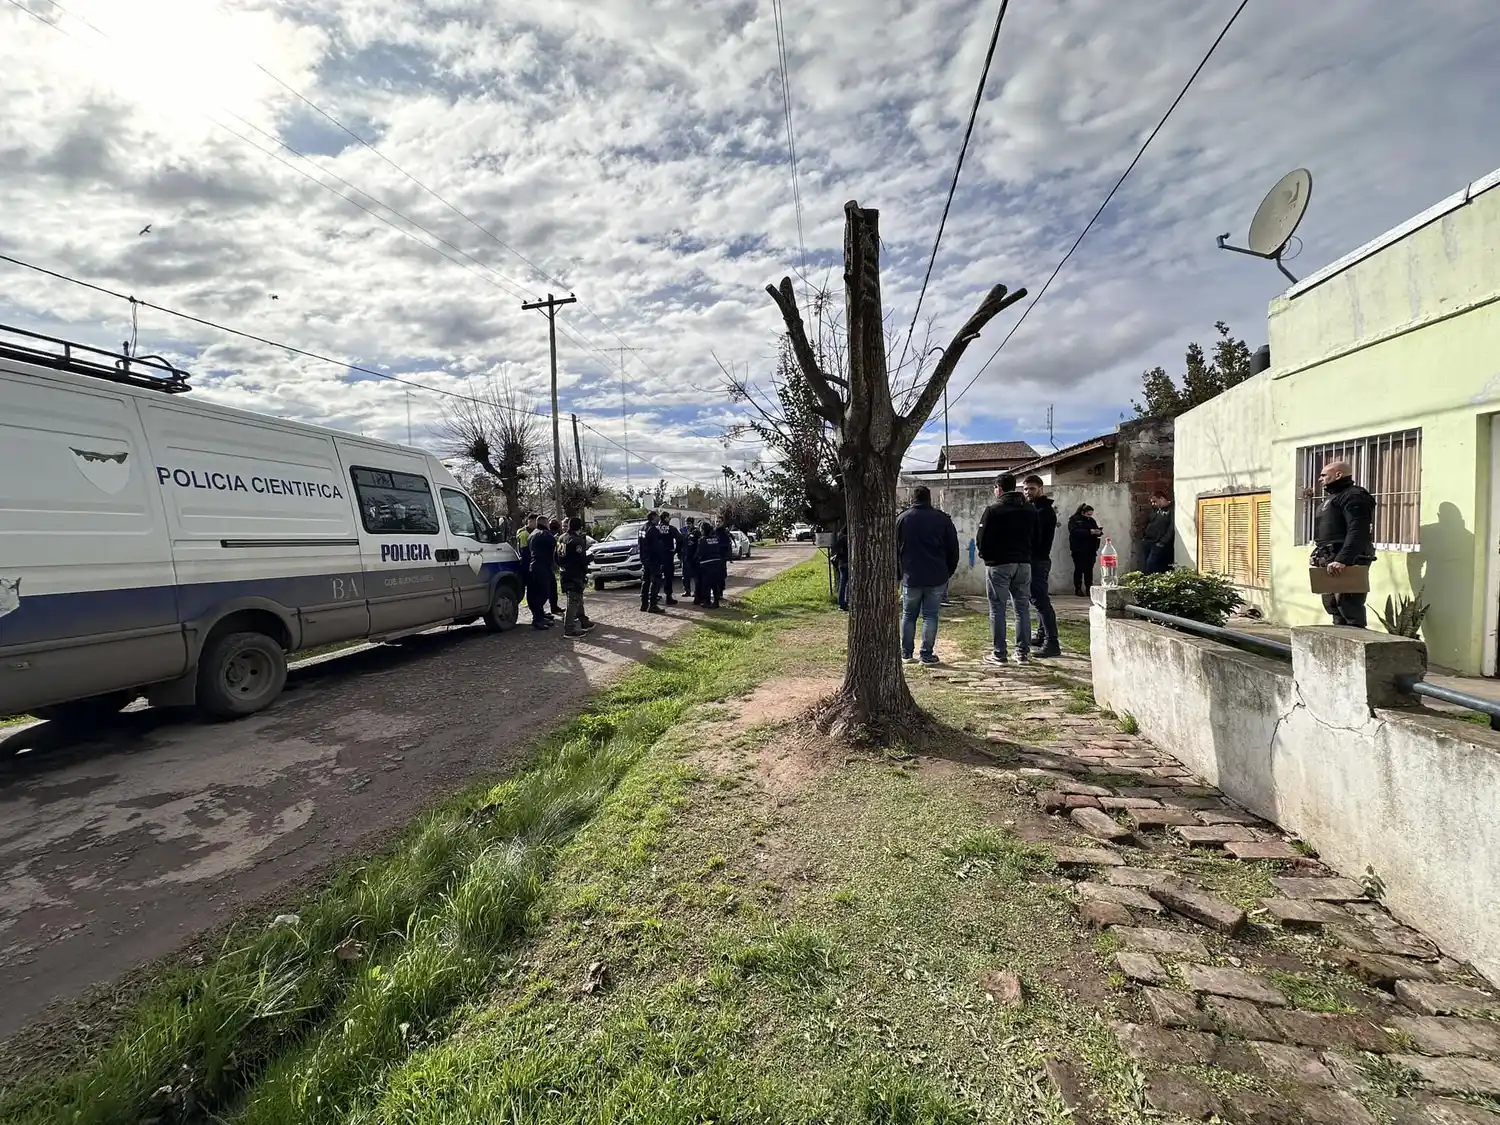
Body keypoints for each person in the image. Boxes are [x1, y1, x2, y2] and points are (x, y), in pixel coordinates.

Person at [976, 473, 1039, 664]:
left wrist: (986, 556)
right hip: (1024, 563)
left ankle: (999, 653)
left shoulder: (993, 510)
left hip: (999, 564)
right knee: (1022, 608)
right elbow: (1037, 537)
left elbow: (981, 538)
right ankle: (1022, 653)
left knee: (998, 608)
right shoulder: (1030, 509)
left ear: (999, 488)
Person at [894, 485, 960, 665]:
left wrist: (898, 575)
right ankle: (926, 654)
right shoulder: (942, 519)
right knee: (930, 616)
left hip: (911, 575)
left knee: (908, 615)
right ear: (929, 499)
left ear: (912, 499)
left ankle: (906, 654)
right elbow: (953, 549)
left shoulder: (902, 519)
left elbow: (893, 550)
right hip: (936, 575)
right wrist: (948, 572)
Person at [1312, 458, 1377, 627]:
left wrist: (1343, 559)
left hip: (1349, 559)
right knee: (1332, 605)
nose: (1320, 479)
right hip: (1329, 557)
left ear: (1338, 474)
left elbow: (1358, 530)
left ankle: (1357, 647)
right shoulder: (1332, 498)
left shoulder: (1354, 496)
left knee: (1349, 606)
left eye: (1324, 475)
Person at [1023, 475, 1062, 657]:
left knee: (1040, 601)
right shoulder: (1034, 508)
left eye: (1031, 488)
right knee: (1037, 600)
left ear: (1040, 489)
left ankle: (1052, 642)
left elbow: (1035, 537)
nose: (1028, 492)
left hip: (1038, 559)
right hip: (1035, 559)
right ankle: (1041, 635)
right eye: (1025, 489)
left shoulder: (1044, 511)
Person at [558, 517, 594, 638]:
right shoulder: (577, 541)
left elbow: (556, 556)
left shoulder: (561, 538)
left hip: (564, 572)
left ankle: (584, 621)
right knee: (573, 601)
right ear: (579, 527)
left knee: (577, 598)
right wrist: (591, 557)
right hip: (575, 573)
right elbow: (581, 559)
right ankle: (569, 629)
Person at [526, 517, 555, 630]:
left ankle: (540, 616)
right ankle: (537, 619)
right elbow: (554, 549)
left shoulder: (532, 534)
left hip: (533, 566)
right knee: (542, 594)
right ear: (546, 523)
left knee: (534, 593)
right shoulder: (546, 535)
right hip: (543, 567)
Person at [1068, 504, 1103, 596]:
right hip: (1078, 548)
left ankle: (1089, 588)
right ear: (1083, 512)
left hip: (1090, 549)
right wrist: (1089, 532)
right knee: (1079, 569)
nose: (1090, 516)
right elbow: (1074, 531)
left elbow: (1096, 529)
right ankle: (1078, 588)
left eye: (1091, 514)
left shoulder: (1091, 520)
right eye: (1088, 514)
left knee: (1089, 570)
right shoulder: (1074, 520)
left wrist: (1098, 532)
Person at [637, 511, 667, 614]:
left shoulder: (642, 528)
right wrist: (662, 561)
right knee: (656, 581)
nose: (659, 518)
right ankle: (653, 605)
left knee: (645, 581)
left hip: (644, 559)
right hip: (653, 560)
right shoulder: (653, 530)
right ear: (654, 517)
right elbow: (657, 548)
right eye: (658, 516)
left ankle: (644, 604)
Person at [1142, 491, 1174, 574]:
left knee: (1151, 564)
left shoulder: (1171, 510)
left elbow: (1171, 527)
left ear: (1162, 498)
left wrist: (1163, 541)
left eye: (1155, 501)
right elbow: (1148, 522)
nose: (1153, 504)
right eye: (1152, 502)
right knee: (1149, 564)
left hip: (1159, 542)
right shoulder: (1155, 510)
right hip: (1148, 541)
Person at [694, 515, 721, 607]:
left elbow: (699, 552)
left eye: (701, 529)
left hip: (707, 564)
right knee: (715, 583)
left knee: (706, 584)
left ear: (703, 530)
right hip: (717, 563)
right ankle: (716, 602)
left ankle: (707, 602)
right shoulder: (715, 538)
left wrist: (695, 559)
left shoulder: (702, 540)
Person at [706, 516, 733, 607]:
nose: (717, 523)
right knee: (713, 577)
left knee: (721, 576)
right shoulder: (713, 532)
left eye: (719, 521)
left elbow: (727, 545)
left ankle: (720, 592)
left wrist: (726, 556)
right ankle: (716, 593)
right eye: (716, 521)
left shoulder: (724, 533)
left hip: (721, 557)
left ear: (722, 522)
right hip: (713, 558)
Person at [659, 514, 681, 606]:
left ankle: (654, 596)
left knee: (656, 576)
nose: (670, 518)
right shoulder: (671, 528)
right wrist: (676, 551)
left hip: (657, 556)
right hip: (668, 555)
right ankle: (668, 597)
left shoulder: (656, 528)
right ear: (666, 518)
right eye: (669, 517)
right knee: (668, 577)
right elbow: (680, 539)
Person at [547, 518, 563, 615]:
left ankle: (554, 607)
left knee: (552, 588)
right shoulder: (551, 537)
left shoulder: (551, 536)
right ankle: (553, 607)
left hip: (549, 566)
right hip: (548, 566)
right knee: (550, 588)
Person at [680, 517, 699, 600]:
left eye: (689, 523)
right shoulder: (682, 531)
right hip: (685, 556)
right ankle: (687, 590)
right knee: (685, 575)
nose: (687, 525)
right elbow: (679, 542)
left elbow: (699, 544)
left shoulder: (696, 532)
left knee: (695, 575)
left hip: (693, 556)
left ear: (692, 523)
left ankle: (696, 592)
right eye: (686, 523)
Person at [832, 527, 849, 611]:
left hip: (841, 564)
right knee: (849, 584)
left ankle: (841, 603)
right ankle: (848, 600)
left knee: (842, 584)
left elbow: (835, 550)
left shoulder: (841, 540)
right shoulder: (850, 539)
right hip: (848, 563)